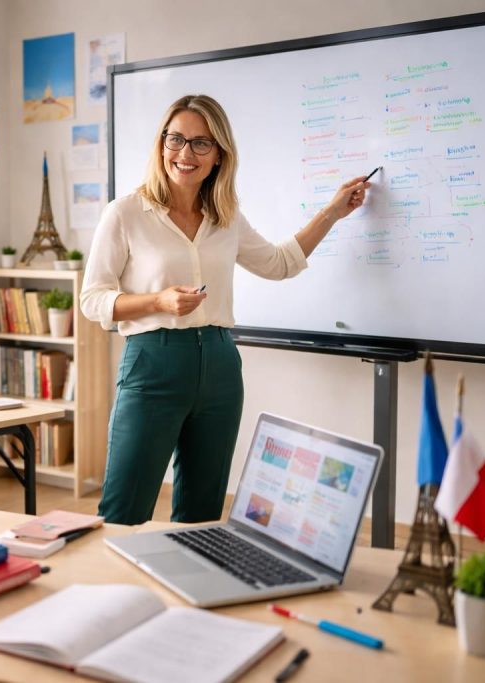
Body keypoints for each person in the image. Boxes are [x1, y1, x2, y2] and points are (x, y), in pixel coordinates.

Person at [80, 94, 370, 525]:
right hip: (152, 363)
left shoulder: (226, 216)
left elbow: (279, 263)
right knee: (124, 510)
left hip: (218, 365)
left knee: (202, 512)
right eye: (176, 139)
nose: (185, 153)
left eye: (201, 143)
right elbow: (92, 299)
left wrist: (332, 212)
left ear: (218, 156)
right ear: (161, 145)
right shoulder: (125, 213)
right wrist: (158, 301)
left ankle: (190, 590)